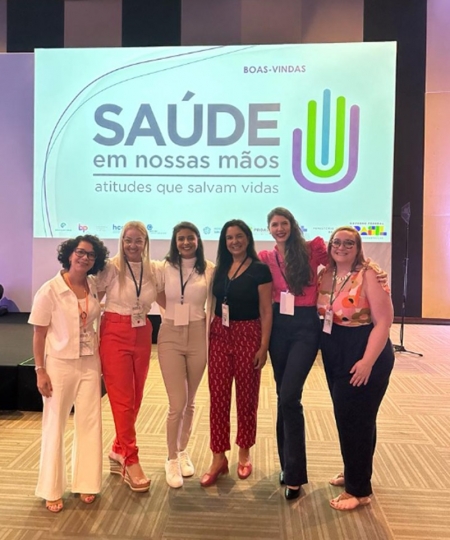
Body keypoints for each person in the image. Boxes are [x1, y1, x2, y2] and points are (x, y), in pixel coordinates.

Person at [29, 234, 108, 513]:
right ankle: (51, 488)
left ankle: (86, 481)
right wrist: (40, 370)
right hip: (59, 364)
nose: (85, 258)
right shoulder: (49, 290)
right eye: (80, 252)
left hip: (89, 362)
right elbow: (39, 334)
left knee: (90, 422)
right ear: (69, 254)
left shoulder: (93, 285)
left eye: (91, 255)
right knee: (55, 424)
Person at [317, 226, 394, 511]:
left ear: (358, 247)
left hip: (364, 351)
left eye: (349, 243)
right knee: (350, 417)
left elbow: (384, 322)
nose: (342, 247)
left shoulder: (370, 274)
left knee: (357, 421)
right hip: (335, 351)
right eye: (336, 242)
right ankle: (354, 472)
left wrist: (367, 362)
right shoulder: (325, 273)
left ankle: (359, 491)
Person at [259, 207, 328, 500]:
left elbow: (342, 262)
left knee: (289, 396)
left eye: (284, 223)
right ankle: (287, 466)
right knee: (283, 396)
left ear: (292, 224)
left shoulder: (312, 249)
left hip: (305, 327)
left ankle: (295, 475)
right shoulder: (266, 257)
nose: (279, 228)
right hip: (279, 326)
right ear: (269, 229)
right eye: (274, 224)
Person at [200, 219, 272, 487]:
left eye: (239, 236)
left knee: (246, 397)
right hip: (220, 333)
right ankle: (218, 457)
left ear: (248, 238)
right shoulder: (219, 269)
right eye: (229, 238)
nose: (234, 242)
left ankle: (244, 451)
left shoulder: (260, 270)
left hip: (248, 334)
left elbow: (266, 310)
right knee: (218, 397)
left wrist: (263, 346)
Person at [97, 221, 159, 492]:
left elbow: (166, 300)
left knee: (136, 397)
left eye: (138, 240)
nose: (133, 245)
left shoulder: (153, 269)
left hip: (142, 331)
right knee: (122, 400)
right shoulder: (110, 268)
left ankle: (117, 449)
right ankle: (131, 459)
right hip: (115, 331)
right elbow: (92, 298)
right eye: (128, 240)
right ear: (121, 241)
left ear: (146, 242)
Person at [155, 222, 215, 488]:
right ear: (174, 241)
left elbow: (212, 302)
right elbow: (158, 294)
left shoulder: (209, 268)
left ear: (198, 240)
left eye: (190, 238)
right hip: (170, 334)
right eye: (181, 238)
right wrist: (172, 312)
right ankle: (170, 458)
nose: (186, 242)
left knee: (190, 401)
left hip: (198, 333)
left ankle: (182, 450)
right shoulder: (163, 267)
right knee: (177, 402)